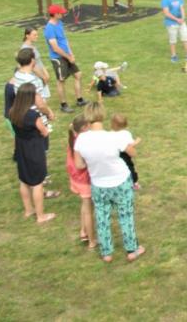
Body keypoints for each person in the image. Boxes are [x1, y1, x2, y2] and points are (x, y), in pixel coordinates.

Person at [74, 102, 144, 263]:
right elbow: (133, 153)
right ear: (102, 115)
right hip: (120, 181)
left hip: (98, 184)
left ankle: (107, 253)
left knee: (102, 216)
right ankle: (132, 250)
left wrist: (90, 163)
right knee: (125, 214)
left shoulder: (81, 140)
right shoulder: (113, 137)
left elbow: (79, 165)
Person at [10, 83, 57, 224]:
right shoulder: (32, 115)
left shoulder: (13, 111)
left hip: (21, 147)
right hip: (34, 148)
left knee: (24, 180)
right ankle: (41, 216)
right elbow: (44, 131)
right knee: (37, 182)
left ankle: (28, 209)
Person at [44, 4, 89, 113]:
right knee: (61, 80)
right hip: (58, 58)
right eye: (61, 13)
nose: (63, 14)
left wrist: (71, 54)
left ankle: (79, 100)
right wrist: (68, 56)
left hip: (67, 55)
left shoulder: (59, 23)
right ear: (55, 14)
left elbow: (64, 40)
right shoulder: (49, 28)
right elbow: (55, 48)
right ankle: (63, 105)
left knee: (78, 75)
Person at [66, 115, 96, 250]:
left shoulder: (73, 138)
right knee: (89, 210)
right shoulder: (83, 142)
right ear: (84, 128)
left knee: (85, 205)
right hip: (85, 180)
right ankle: (91, 241)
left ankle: (83, 231)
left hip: (76, 179)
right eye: (89, 125)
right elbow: (81, 165)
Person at [111, 113, 141, 190]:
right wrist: (137, 141)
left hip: (115, 154)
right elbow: (130, 146)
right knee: (130, 168)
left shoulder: (110, 133)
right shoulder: (126, 134)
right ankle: (134, 183)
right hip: (124, 154)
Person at [20, 26, 50, 92]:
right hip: (34, 78)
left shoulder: (33, 46)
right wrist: (43, 77)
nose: (37, 36)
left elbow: (39, 61)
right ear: (27, 36)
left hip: (40, 76)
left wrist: (46, 73)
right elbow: (32, 66)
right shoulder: (25, 49)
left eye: (37, 35)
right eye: (34, 35)